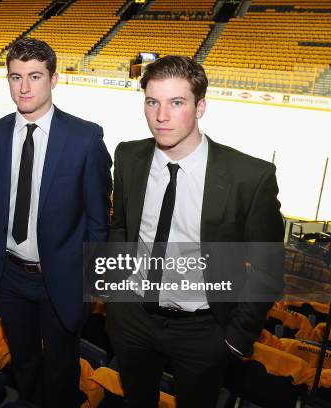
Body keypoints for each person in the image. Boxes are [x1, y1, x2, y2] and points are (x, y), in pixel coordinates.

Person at [106, 55, 284, 408]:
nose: (161, 116)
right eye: (152, 102)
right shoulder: (128, 157)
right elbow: (121, 226)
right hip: (133, 320)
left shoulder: (250, 177)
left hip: (204, 331)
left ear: (200, 106)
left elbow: (268, 266)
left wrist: (236, 336)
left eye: (177, 103)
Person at [0, 38, 112, 406]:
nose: (23, 87)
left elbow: (99, 221)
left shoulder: (85, 138)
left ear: (53, 79)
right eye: (15, 77)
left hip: (62, 278)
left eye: (34, 76)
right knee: (23, 362)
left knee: (61, 367)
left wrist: (89, 279)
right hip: (10, 278)